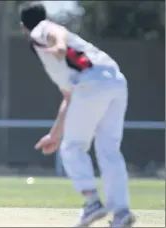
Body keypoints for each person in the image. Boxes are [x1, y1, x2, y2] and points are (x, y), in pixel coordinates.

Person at [19, 3, 135, 228]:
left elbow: (54, 32)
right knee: (108, 149)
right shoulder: (59, 53)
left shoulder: (40, 30)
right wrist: (54, 135)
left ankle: (92, 202)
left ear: (23, 27)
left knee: (72, 148)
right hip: (115, 82)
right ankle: (121, 212)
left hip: (91, 83)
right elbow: (70, 98)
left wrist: (60, 46)